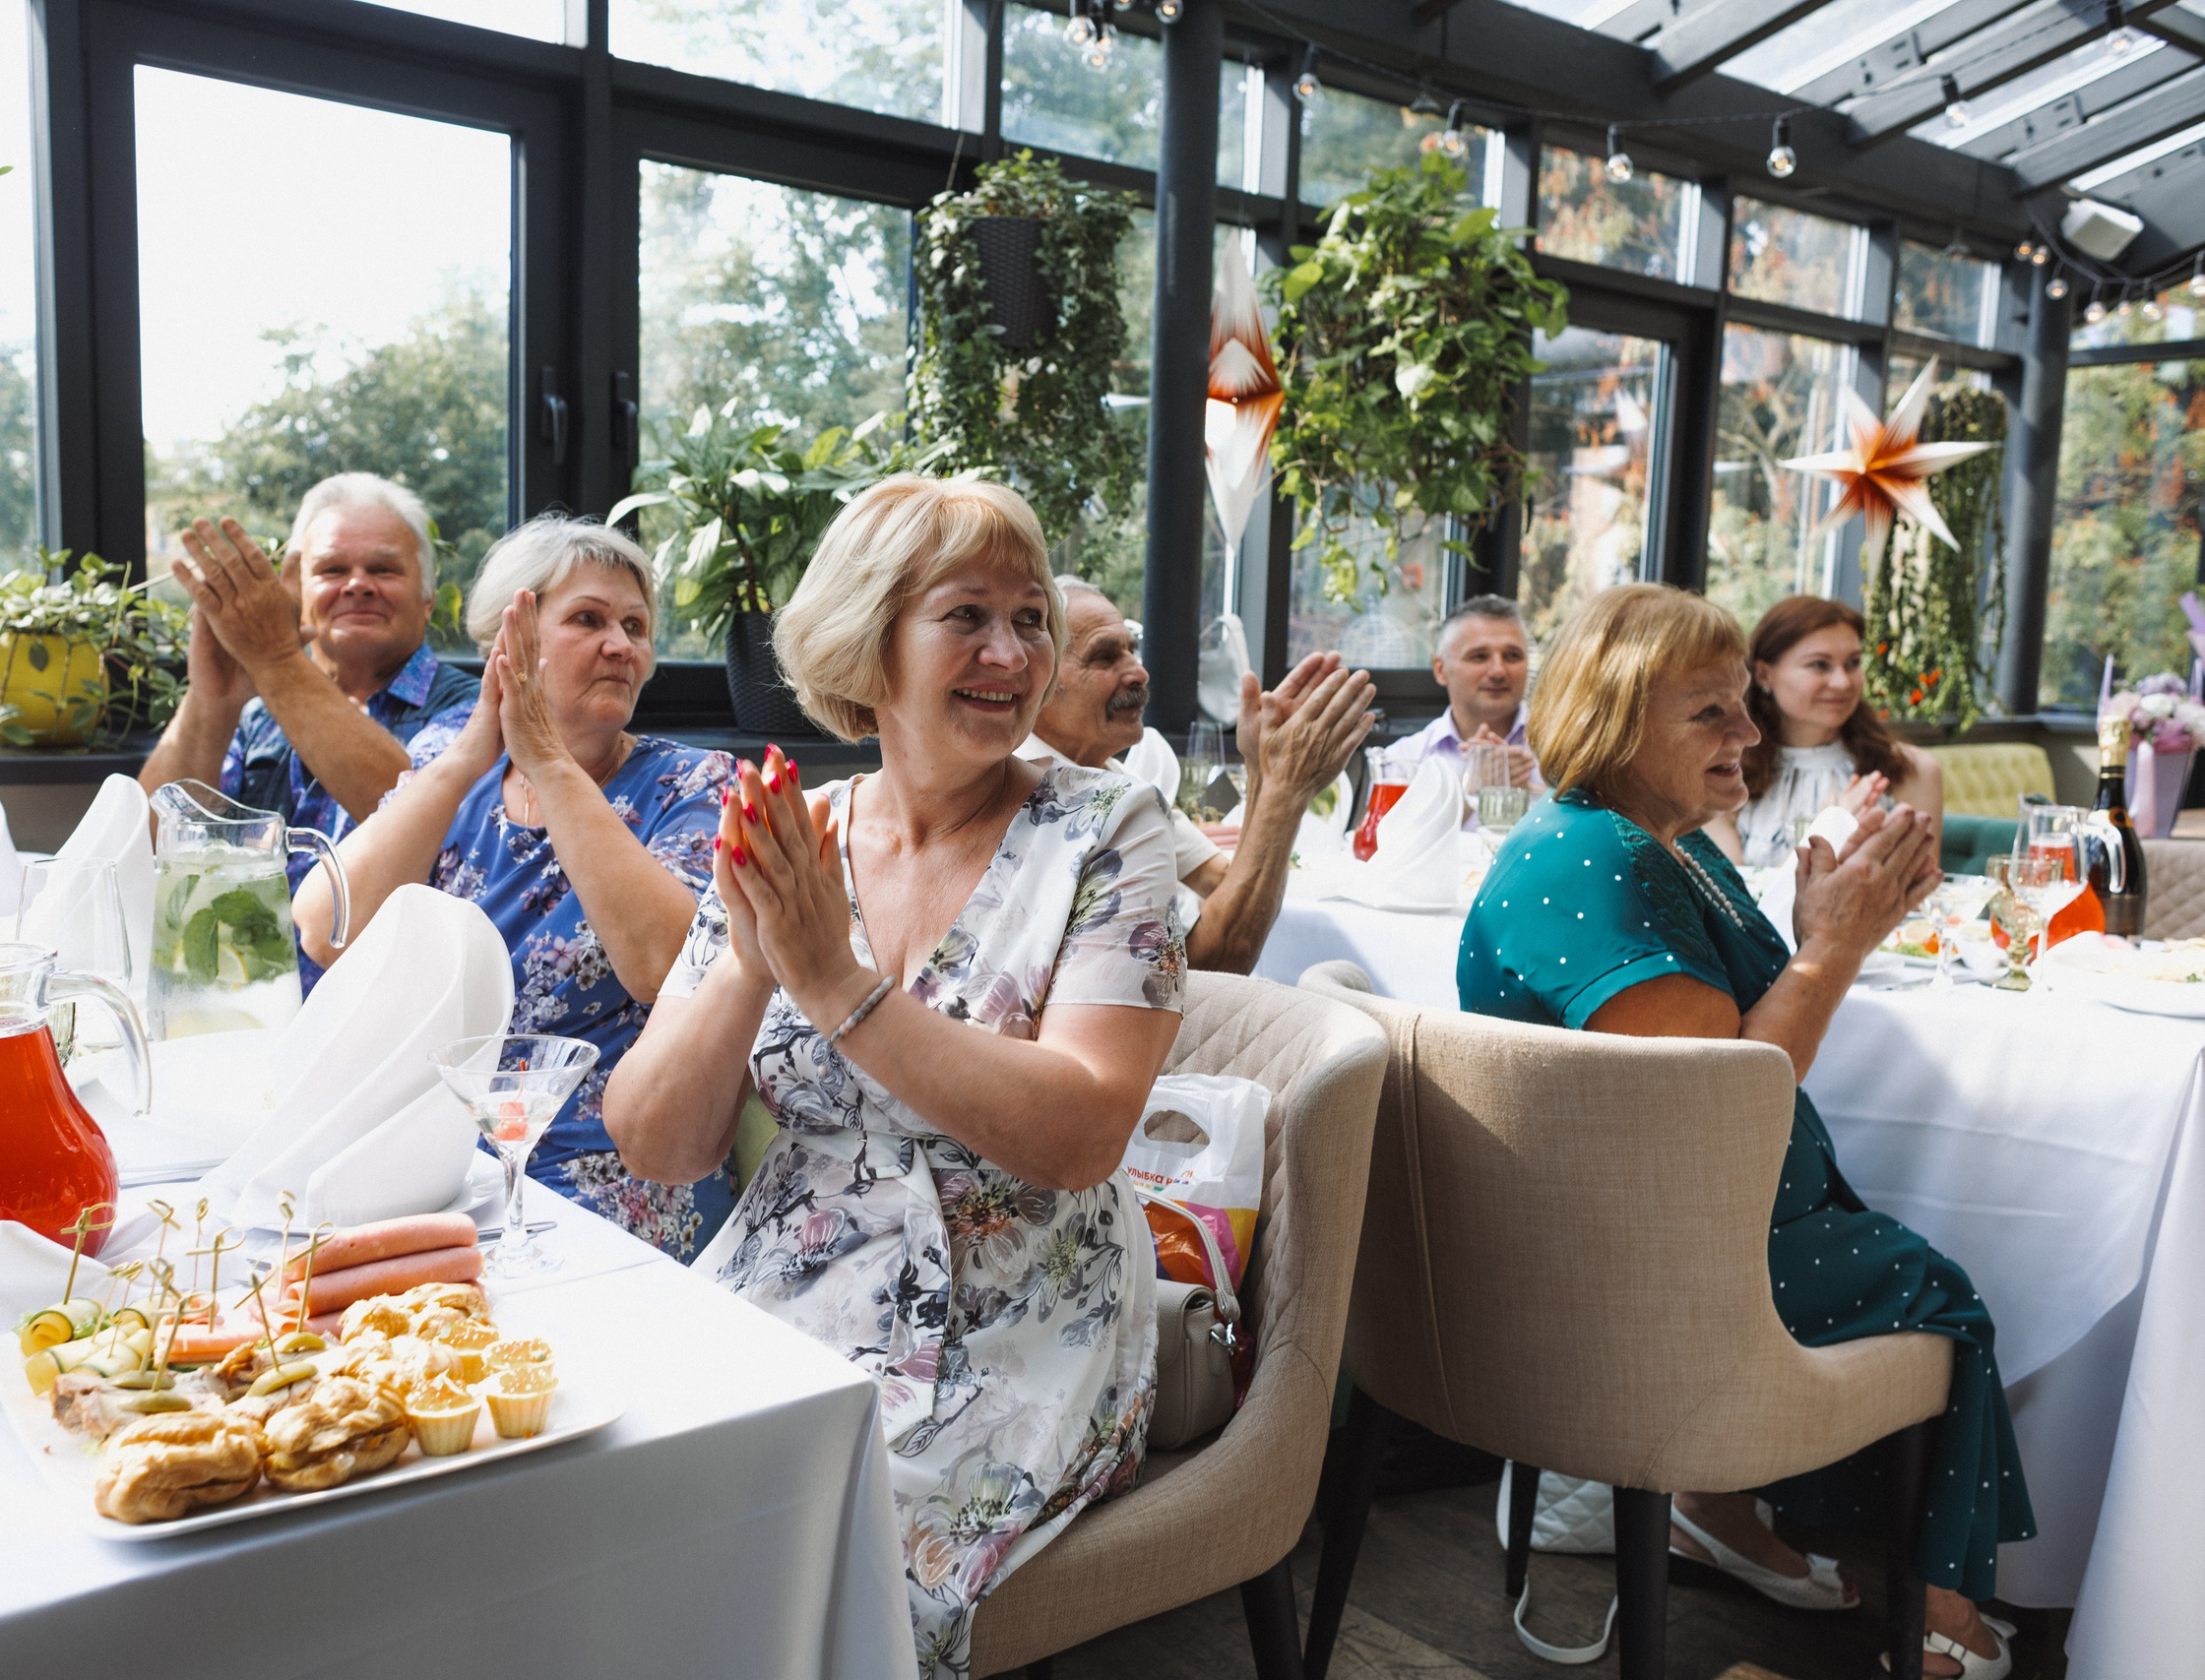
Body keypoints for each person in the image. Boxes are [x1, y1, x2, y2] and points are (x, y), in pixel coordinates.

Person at [605, 477, 1182, 1680]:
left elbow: (1080, 1134)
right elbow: (657, 1142)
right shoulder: (794, 830)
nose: (1011, 653)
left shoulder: (1107, 830)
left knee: (847, 1561)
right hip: (789, 1284)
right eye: (966, 616)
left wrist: (837, 985)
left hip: (1025, 1313)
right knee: (614, 1503)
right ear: (869, 639)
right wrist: (756, 966)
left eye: (1032, 619)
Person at [1458, 583, 2028, 1680]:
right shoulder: (1598, 862)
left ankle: (1713, 1511)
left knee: (1887, 1244)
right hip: (1648, 1269)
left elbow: (1738, 1022)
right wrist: (1834, 951)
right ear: (1622, 722)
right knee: (1939, 1289)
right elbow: (1726, 1094)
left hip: (1657, 1218)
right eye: (1711, 714)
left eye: (1741, 706)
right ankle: (1943, 1617)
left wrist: (1832, 925)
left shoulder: (1659, 841)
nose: (1751, 734)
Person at [291, 516, 737, 1260]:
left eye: (636, 626)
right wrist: (473, 752)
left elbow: (668, 967)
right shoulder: (448, 764)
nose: (621, 645)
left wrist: (550, 764)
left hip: (605, 1171)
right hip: (429, 1150)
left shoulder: (689, 783)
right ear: (511, 643)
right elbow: (326, 927)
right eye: (588, 619)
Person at [144, 472, 482, 984]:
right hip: (245, 1008)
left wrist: (276, 658)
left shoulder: (475, 711)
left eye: (384, 569)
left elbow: (434, 825)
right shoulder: (259, 716)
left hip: (392, 1014)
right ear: (299, 593)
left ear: (429, 598)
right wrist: (211, 702)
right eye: (331, 569)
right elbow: (145, 847)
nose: (358, 584)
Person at [1021, 577, 1376, 972]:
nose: (1139, 673)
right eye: (1105, 657)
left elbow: (1229, 885)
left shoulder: (1115, 779)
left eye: (1132, 650)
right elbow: (1213, 960)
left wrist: (1262, 771)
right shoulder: (1043, 795)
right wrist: (1283, 792)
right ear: (1041, 679)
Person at [1711, 594, 1945, 868]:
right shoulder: (1722, 770)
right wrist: (1830, 828)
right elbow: (1734, 906)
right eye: (1819, 665)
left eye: (1853, 663)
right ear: (1764, 674)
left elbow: (1920, 902)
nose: (1842, 682)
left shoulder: (1912, 769)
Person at [1386, 594, 1544, 828]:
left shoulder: (1565, 750)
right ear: (1441, 670)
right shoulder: (1402, 759)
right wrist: (1471, 788)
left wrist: (1540, 794)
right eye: (1479, 656)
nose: (1498, 670)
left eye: (1512, 656)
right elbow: (1384, 854)